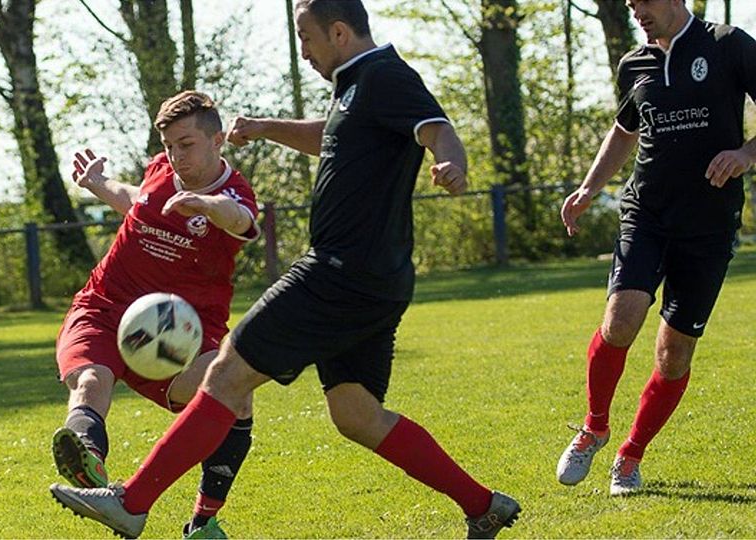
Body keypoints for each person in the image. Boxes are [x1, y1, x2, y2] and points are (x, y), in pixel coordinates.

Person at [50, 1, 521, 538]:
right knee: (356, 414)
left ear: (339, 32)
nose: (303, 51)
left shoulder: (385, 74)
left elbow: (436, 127)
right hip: (380, 280)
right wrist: (265, 126)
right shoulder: (356, 89)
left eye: (306, 38)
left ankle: (132, 503)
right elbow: (332, 136)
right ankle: (482, 504)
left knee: (227, 373)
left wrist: (452, 161)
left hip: (336, 272)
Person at [556, 0, 756, 496]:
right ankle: (594, 427)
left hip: (708, 224)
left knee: (673, 355)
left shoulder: (728, 44)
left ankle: (630, 456)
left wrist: (746, 153)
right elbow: (624, 131)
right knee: (620, 320)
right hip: (646, 213)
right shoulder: (635, 63)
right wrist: (589, 188)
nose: (637, 12)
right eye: (629, 5)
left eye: (644, 1)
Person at [50, 90, 260, 538]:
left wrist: (207, 205)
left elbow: (239, 219)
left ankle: (203, 523)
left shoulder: (236, 193)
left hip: (178, 334)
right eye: (168, 146)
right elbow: (137, 199)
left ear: (217, 139)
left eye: (186, 144)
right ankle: (86, 458)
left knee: (236, 394)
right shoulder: (161, 171)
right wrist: (97, 184)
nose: (176, 155)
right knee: (90, 381)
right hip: (105, 307)